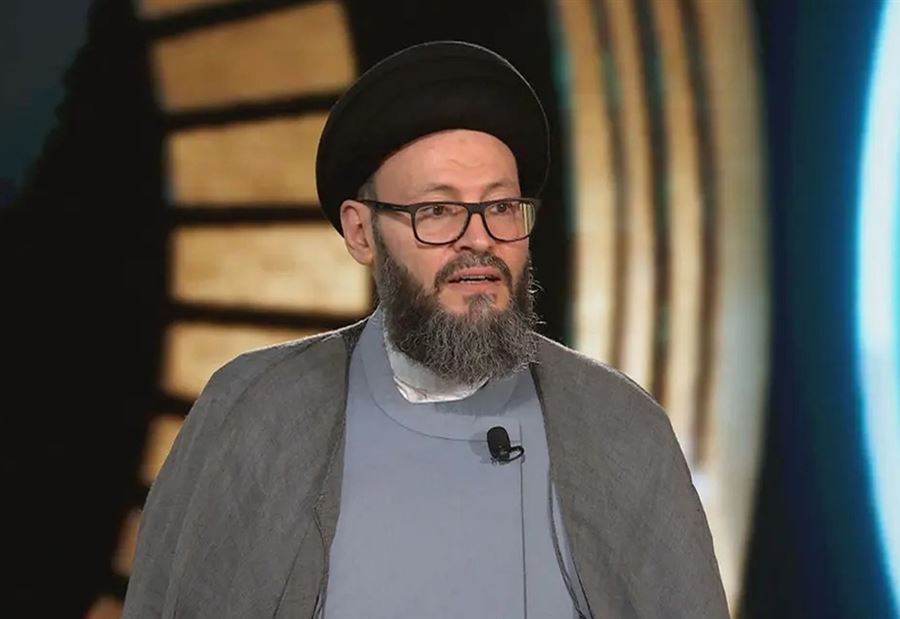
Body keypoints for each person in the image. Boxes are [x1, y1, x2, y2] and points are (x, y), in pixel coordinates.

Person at [123, 41, 728, 619]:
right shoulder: (254, 411)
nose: (479, 240)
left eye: (500, 207)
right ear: (362, 233)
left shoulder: (617, 424)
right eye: (437, 211)